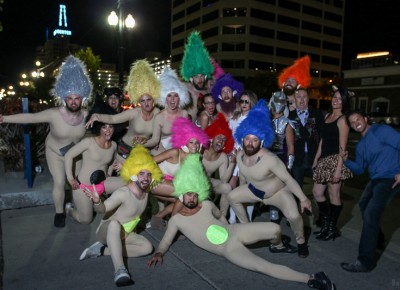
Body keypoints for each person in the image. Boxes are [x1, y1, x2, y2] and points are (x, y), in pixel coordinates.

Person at [147, 154, 335, 290]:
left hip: (235, 231)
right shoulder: (177, 220)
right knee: (263, 266)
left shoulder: (205, 204)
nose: (190, 198)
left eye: (194, 194)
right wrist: (159, 252)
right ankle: (311, 279)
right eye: (187, 195)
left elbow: (220, 217)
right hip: (227, 249)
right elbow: (165, 241)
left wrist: (229, 225)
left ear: (199, 192)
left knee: (275, 228)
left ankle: (277, 245)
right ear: (181, 196)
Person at [0, 55, 92, 227]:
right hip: (55, 153)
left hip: (75, 155)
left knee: (77, 181)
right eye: (70, 98)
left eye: (77, 98)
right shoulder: (54, 114)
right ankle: (59, 212)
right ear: (64, 97)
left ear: (82, 98)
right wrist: (4, 118)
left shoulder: (87, 115)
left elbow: (106, 123)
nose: (73, 101)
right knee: (59, 182)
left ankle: (75, 206)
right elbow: (31, 117)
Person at [227, 99, 312, 258]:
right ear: (242, 139)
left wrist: (303, 199)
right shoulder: (239, 156)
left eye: (255, 140)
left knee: (294, 216)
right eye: (247, 139)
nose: (250, 143)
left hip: (278, 193)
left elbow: (288, 179)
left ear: (262, 142)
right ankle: (247, 229)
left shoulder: (270, 159)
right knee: (232, 196)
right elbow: (244, 179)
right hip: (255, 191)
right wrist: (242, 191)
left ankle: (301, 242)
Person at [79, 145, 163, 286]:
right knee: (114, 223)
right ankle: (120, 270)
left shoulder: (146, 190)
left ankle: (102, 250)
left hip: (126, 234)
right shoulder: (123, 193)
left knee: (147, 248)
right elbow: (103, 209)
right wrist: (97, 201)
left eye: (149, 174)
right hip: (106, 231)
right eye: (141, 173)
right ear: (133, 174)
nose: (146, 178)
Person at [340, 110, 400, 272]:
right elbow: (360, 169)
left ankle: (364, 262)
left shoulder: (382, 130)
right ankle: (378, 239)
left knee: (370, 214)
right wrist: (346, 161)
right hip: (376, 179)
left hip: (391, 178)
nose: (355, 123)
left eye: (357, 119)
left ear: (365, 119)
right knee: (364, 205)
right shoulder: (361, 145)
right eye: (352, 123)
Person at [85, 59, 161, 165]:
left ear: (153, 99)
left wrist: (147, 143)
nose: (146, 103)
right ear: (138, 101)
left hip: (143, 151)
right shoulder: (134, 113)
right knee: (122, 179)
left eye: (148, 99)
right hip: (125, 150)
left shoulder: (157, 112)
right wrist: (97, 116)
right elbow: (113, 119)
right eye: (142, 101)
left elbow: (157, 137)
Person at [64, 105, 125, 224]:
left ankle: (117, 211)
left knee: (129, 183)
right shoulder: (88, 142)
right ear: (98, 128)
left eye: (111, 126)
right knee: (86, 220)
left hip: (102, 184)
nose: (108, 130)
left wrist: (108, 173)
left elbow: (112, 160)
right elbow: (68, 155)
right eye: (104, 127)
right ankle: (70, 210)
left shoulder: (113, 145)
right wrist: (70, 178)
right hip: (84, 188)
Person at [150, 116, 210, 229]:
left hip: (169, 184)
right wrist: (157, 174)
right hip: (154, 180)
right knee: (185, 195)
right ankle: (174, 225)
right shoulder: (175, 152)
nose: (194, 145)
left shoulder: (195, 159)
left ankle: (159, 218)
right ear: (185, 143)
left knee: (183, 201)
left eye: (197, 143)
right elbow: (151, 161)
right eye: (191, 142)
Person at [312, 86, 353, 241]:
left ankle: (330, 228)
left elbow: (343, 147)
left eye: (339, 99)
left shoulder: (343, 120)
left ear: (344, 102)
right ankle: (327, 223)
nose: (335, 100)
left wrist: (338, 170)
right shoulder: (328, 115)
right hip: (324, 159)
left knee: (333, 194)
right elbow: (323, 139)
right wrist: (317, 157)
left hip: (336, 159)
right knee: (317, 193)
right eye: (334, 97)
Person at [228, 90, 258, 223]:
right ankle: (233, 218)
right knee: (232, 187)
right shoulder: (234, 118)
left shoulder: (255, 119)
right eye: (242, 101)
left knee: (248, 189)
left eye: (247, 101)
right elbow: (229, 136)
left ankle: (247, 219)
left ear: (251, 102)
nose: (244, 104)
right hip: (232, 154)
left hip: (248, 156)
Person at [143, 68, 190, 155]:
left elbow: (187, 135)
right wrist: (141, 144)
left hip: (180, 150)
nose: (172, 99)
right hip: (162, 151)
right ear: (164, 98)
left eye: (175, 95)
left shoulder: (184, 113)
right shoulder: (159, 117)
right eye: (169, 95)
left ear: (180, 98)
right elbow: (155, 140)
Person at [268, 90, 295, 224]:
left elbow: (290, 146)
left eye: (281, 101)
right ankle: (274, 213)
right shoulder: (266, 120)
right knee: (270, 187)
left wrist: (289, 166)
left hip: (281, 159)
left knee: (283, 188)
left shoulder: (287, 123)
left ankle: (289, 213)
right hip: (267, 158)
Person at [289, 88, 324, 189]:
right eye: (299, 97)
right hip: (297, 160)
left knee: (320, 191)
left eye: (304, 97)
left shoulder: (317, 114)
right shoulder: (290, 116)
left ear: (308, 99)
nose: (302, 99)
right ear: (295, 99)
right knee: (296, 190)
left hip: (315, 158)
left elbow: (323, 136)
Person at [203, 113, 235, 218]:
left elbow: (224, 180)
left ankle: (222, 217)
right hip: (194, 183)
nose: (221, 141)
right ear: (212, 138)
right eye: (219, 137)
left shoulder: (222, 157)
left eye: (224, 140)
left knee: (227, 187)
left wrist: (232, 164)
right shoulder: (201, 150)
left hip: (209, 183)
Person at [180, 31, 214, 120]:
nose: (200, 79)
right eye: (196, 76)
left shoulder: (209, 92)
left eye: (202, 75)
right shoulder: (186, 89)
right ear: (191, 78)